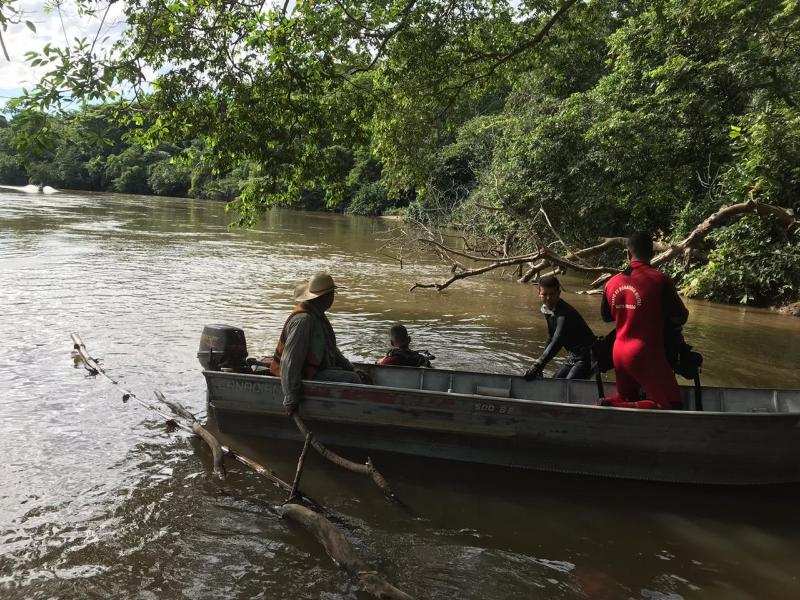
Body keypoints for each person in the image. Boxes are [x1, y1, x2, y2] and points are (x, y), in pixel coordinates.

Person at [601, 232, 689, 409]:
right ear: (653, 254)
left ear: (628, 254)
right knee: (671, 405)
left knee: (627, 397)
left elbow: (606, 317)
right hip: (645, 353)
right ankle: (616, 407)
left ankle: (610, 404)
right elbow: (681, 315)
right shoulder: (660, 280)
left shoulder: (611, 282)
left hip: (618, 352)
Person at [270, 272, 360, 414]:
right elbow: (290, 361)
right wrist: (291, 397)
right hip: (305, 375)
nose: (333, 297)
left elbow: (331, 350)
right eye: (331, 294)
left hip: (316, 370)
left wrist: (350, 367)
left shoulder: (317, 315)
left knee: (355, 374)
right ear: (324, 297)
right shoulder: (303, 321)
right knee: (352, 380)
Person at [524, 275, 596, 380]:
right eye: (544, 294)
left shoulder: (564, 314)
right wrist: (541, 366)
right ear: (539, 294)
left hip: (588, 357)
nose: (548, 298)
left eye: (552, 294)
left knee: (566, 386)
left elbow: (557, 341)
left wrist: (537, 365)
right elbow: (551, 336)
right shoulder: (547, 309)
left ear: (559, 293)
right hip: (573, 356)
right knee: (555, 381)